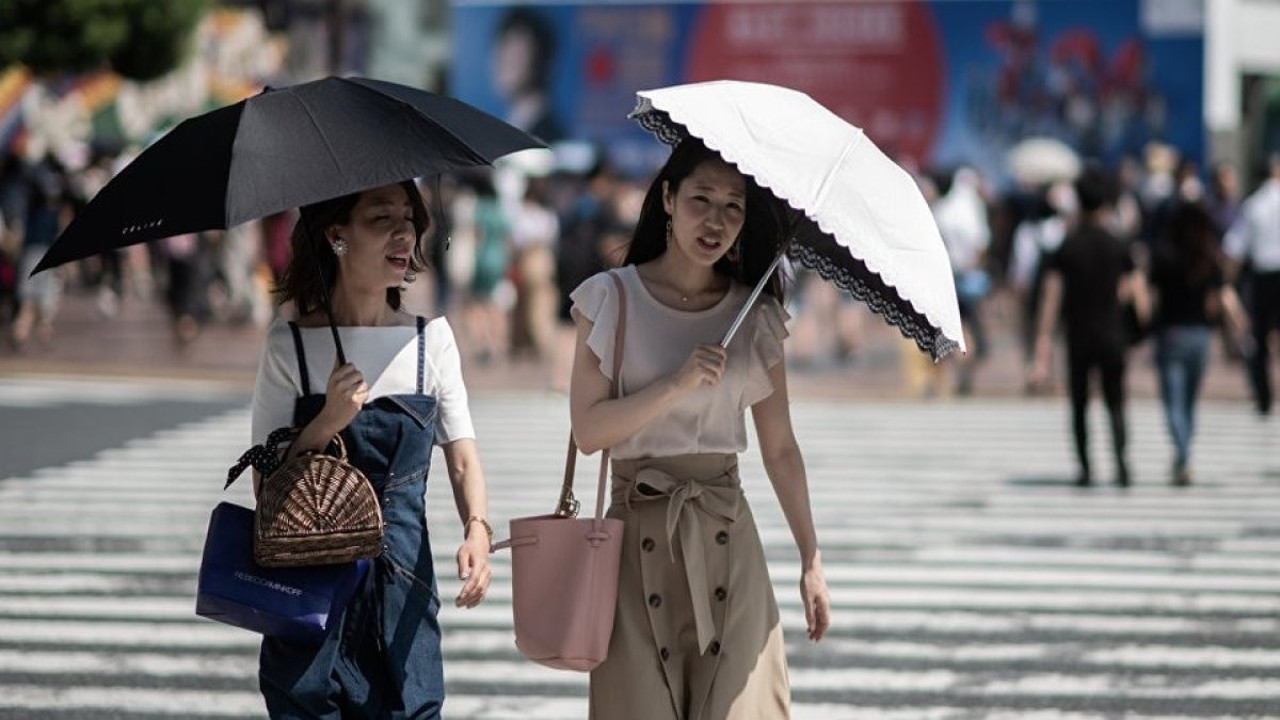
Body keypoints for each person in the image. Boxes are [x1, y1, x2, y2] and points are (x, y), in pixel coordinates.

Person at [568, 138, 831, 719]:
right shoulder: (611, 298)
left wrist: (810, 556)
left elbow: (781, 448)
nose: (715, 220)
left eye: (732, 207)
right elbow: (589, 431)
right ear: (667, 198)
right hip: (635, 542)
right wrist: (674, 384)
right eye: (701, 199)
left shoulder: (756, 315)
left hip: (728, 540)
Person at [250, 181, 492, 718]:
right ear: (337, 236)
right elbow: (265, 484)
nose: (404, 231)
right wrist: (326, 423)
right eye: (381, 218)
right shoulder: (288, 344)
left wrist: (477, 527)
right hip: (309, 587)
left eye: (408, 217)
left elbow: (462, 456)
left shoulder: (433, 340)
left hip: (404, 583)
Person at [1031, 164, 1149, 487]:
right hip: (1112, 333)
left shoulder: (1067, 246)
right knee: (1116, 401)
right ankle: (1122, 463)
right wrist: (1141, 328)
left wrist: (1042, 344)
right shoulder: (1119, 244)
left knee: (1079, 403)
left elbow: (1051, 297)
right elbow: (1137, 291)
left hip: (1079, 335)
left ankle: (1085, 468)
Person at [1148, 201, 1248, 485]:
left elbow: (1152, 296)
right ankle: (1184, 452)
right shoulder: (1208, 258)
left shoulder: (1164, 256)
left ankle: (1182, 453)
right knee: (1189, 401)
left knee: (1173, 401)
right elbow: (1221, 297)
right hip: (1200, 336)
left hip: (1170, 334)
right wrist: (1239, 323)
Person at [1224, 153, 1280, 416]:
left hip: (1262, 276)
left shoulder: (1254, 204)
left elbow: (1235, 247)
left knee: (1259, 338)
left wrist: (1229, 282)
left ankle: (1264, 397)